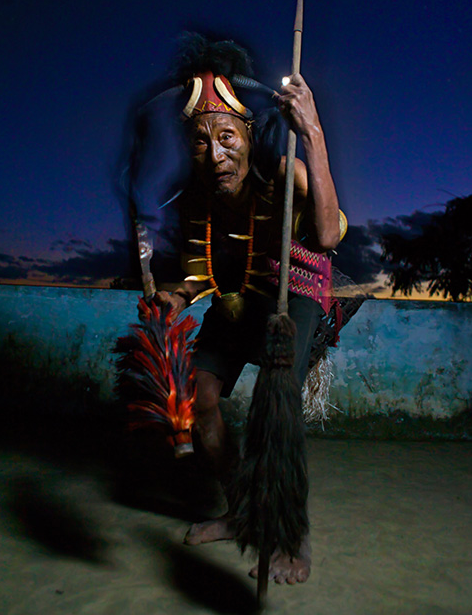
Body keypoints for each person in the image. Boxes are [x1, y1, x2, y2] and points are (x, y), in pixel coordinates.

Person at [140, 35, 341, 585]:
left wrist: (313, 131)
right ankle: (242, 512)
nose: (216, 153)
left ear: (250, 134)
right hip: (236, 303)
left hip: (290, 295)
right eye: (201, 141)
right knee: (199, 401)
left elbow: (326, 233)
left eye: (227, 136)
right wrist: (174, 296)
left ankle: (289, 535)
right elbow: (194, 275)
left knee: (275, 411)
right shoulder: (198, 201)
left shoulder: (284, 174)